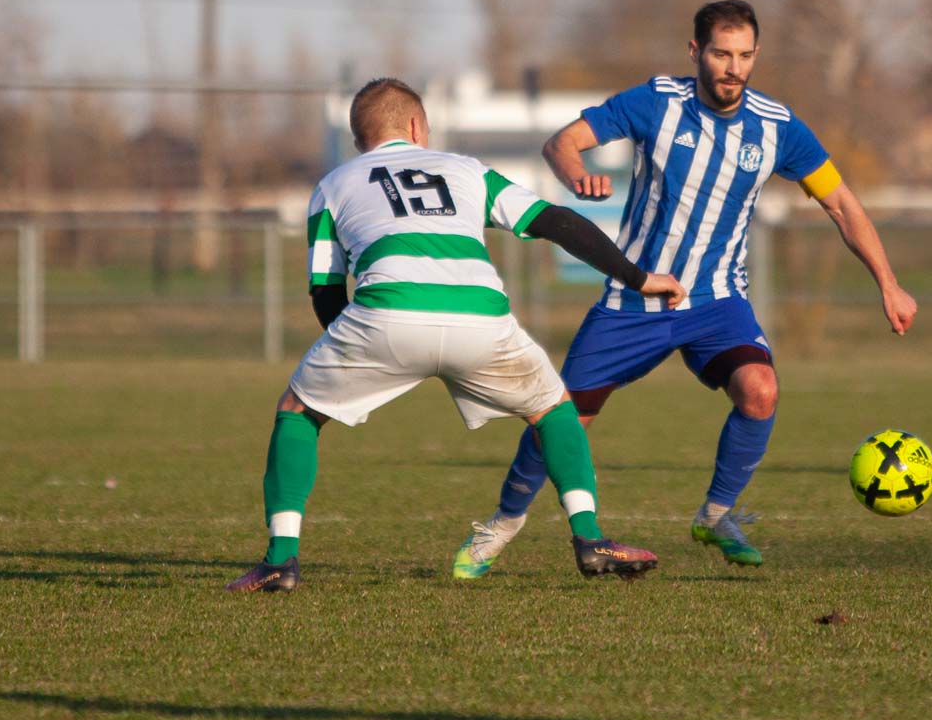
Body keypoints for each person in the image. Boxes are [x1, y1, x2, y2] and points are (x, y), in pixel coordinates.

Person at [453, 0, 919, 578]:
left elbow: (841, 203)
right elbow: (562, 142)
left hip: (718, 301)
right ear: (696, 51)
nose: (733, 68)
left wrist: (889, 284)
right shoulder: (656, 102)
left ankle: (717, 516)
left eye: (745, 56)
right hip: (634, 301)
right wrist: (577, 175)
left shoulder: (778, 127)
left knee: (761, 391)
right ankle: (502, 524)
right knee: (560, 421)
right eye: (722, 54)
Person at [227, 78, 687, 592]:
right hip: (481, 321)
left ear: (360, 140)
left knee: (298, 412)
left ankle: (280, 562)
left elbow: (325, 289)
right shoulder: (467, 169)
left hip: (386, 315)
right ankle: (590, 537)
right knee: (554, 411)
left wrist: (356, 356)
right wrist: (638, 278)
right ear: (417, 126)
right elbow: (555, 222)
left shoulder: (333, 184)